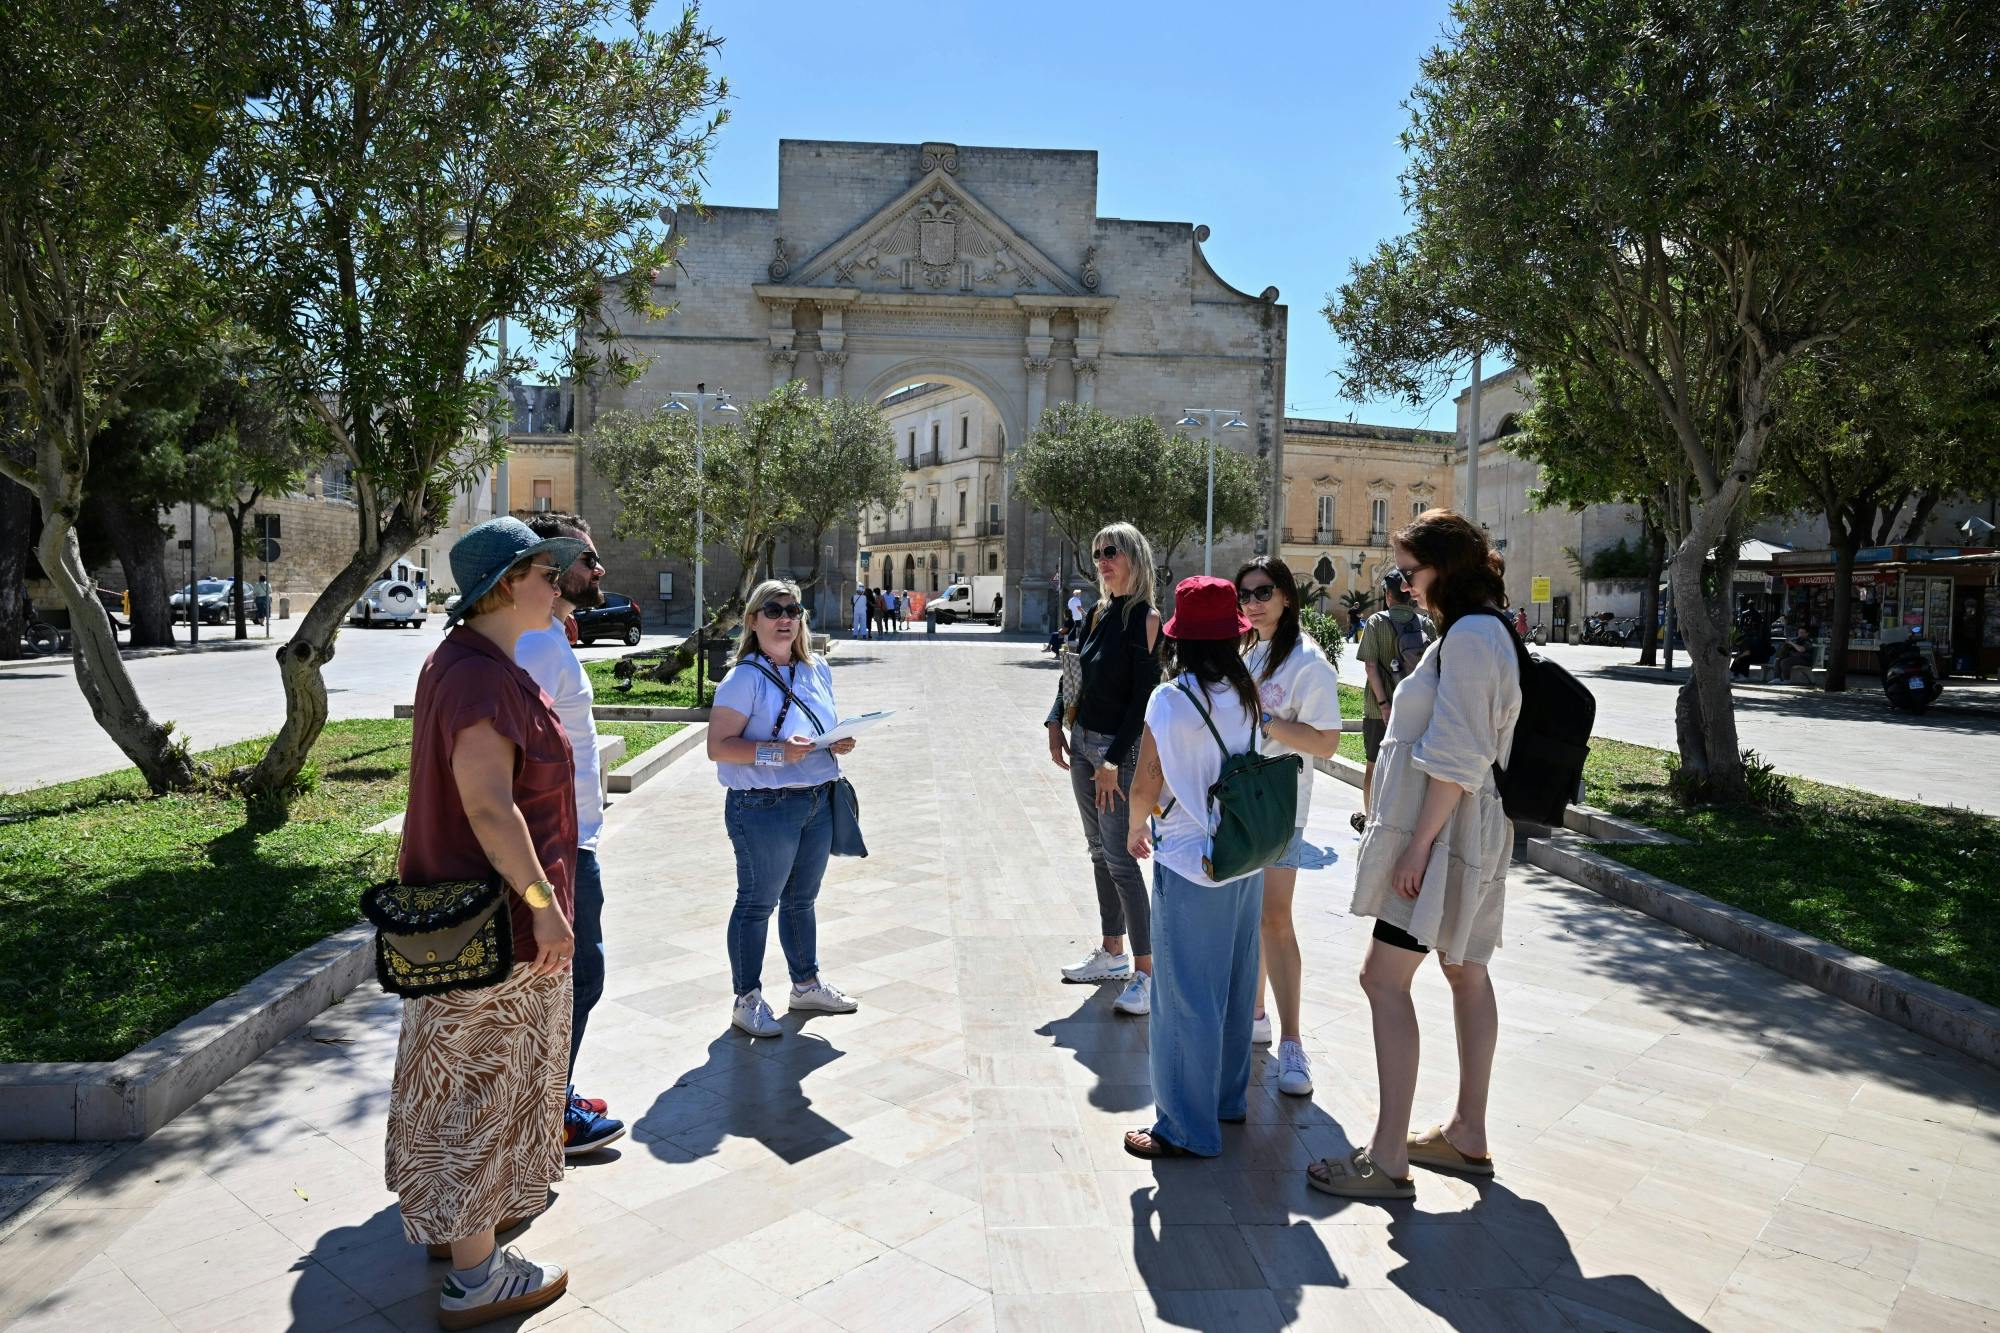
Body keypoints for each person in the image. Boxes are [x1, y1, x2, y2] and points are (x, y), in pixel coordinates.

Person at [387, 515, 584, 1327]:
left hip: (482, 925)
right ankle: (476, 1276)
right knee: (479, 1092)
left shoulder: (475, 664)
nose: (559, 583)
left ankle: (461, 1234)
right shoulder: (476, 676)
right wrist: (545, 909)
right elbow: (489, 808)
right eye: (545, 571)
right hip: (495, 929)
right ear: (505, 584)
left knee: (475, 1086)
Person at [1310, 509, 1520, 1202]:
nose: (1404, 583)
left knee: (1382, 979)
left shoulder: (1470, 638)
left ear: (1447, 570)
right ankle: (1466, 1130)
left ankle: (1388, 1155)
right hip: (1461, 830)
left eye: (1411, 571)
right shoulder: (1473, 632)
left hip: (1444, 835)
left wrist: (1419, 847)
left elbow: (1457, 754)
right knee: (1465, 971)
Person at [1119, 575, 1266, 1159]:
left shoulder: (1170, 698)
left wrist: (1135, 825)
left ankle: (1184, 1126)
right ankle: (1227, 1102)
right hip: (1244, 856)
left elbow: (1148, 780)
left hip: (1189, 859)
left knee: (1184, 997)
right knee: (1232, 986)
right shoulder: (1248, 689)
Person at [707, 577, 862, 1037]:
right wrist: (776, 751)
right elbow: (718, 747)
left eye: (793, 611)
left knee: (801, 901)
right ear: (753, 621)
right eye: (773, 611)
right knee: (757, 904)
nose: (785, 620)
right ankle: (747, 997)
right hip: (763, 805)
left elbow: (816, 731)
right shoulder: (743, 678)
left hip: (817, 797)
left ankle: (806, 984)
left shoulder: (816, 670)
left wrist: (837, 743)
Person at [516, 513, 625, 1158]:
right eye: (587, 559)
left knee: (573, 977)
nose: (598, 570)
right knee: (577, 976)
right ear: (554, 569)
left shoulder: (549, 637)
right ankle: (548, 1114)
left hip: (570, 839)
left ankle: (555, 1094)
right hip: (555, 846)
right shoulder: (533, 646)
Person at [1235, 557, 1344, 1096]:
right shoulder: (1248, 650)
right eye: (1245, 594)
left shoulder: (1308, 662)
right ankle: (1254, 1015)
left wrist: (1266, 720)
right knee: (1250, 914)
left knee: (1275, 918)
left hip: (1277, 805)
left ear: (1286, 596)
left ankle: (1293, 1042)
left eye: (1263, 591)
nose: (1252, 602)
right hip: (1238, 801)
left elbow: (1327, 742)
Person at [1045, 523, 1161, 1014]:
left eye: (1110, 551)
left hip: (1119, 751)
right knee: (1098, 852)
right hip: (1083, 743)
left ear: (1133, 555)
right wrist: (1055, 722)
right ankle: (1111, 952)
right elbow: (1074, 672)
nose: (1102, 561)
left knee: (1120, 859)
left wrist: (1114, 761)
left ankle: (1146, 972)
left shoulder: (1146, 618)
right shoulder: (1097, 612)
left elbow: (1144, 699)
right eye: (1096, 554)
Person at [1354, 569, 1436, 834]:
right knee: (1412, 767)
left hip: (1378, 711)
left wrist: (1383, 704)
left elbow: (1370, 666)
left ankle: (1370, 821)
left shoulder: (1377, 621)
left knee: (1373, 766)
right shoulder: (1426, 624)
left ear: (1388, 595)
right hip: (1415, 710)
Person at [1730, 604, 1772, 680]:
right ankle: (1734, 673)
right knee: (1740, 658)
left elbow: (1747, 652)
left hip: (1761, 657)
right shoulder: (1748, 637)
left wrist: (1739, 656)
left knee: (1744, 658)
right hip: (1757, 655)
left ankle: (1743, 675)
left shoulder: (1751, 639)